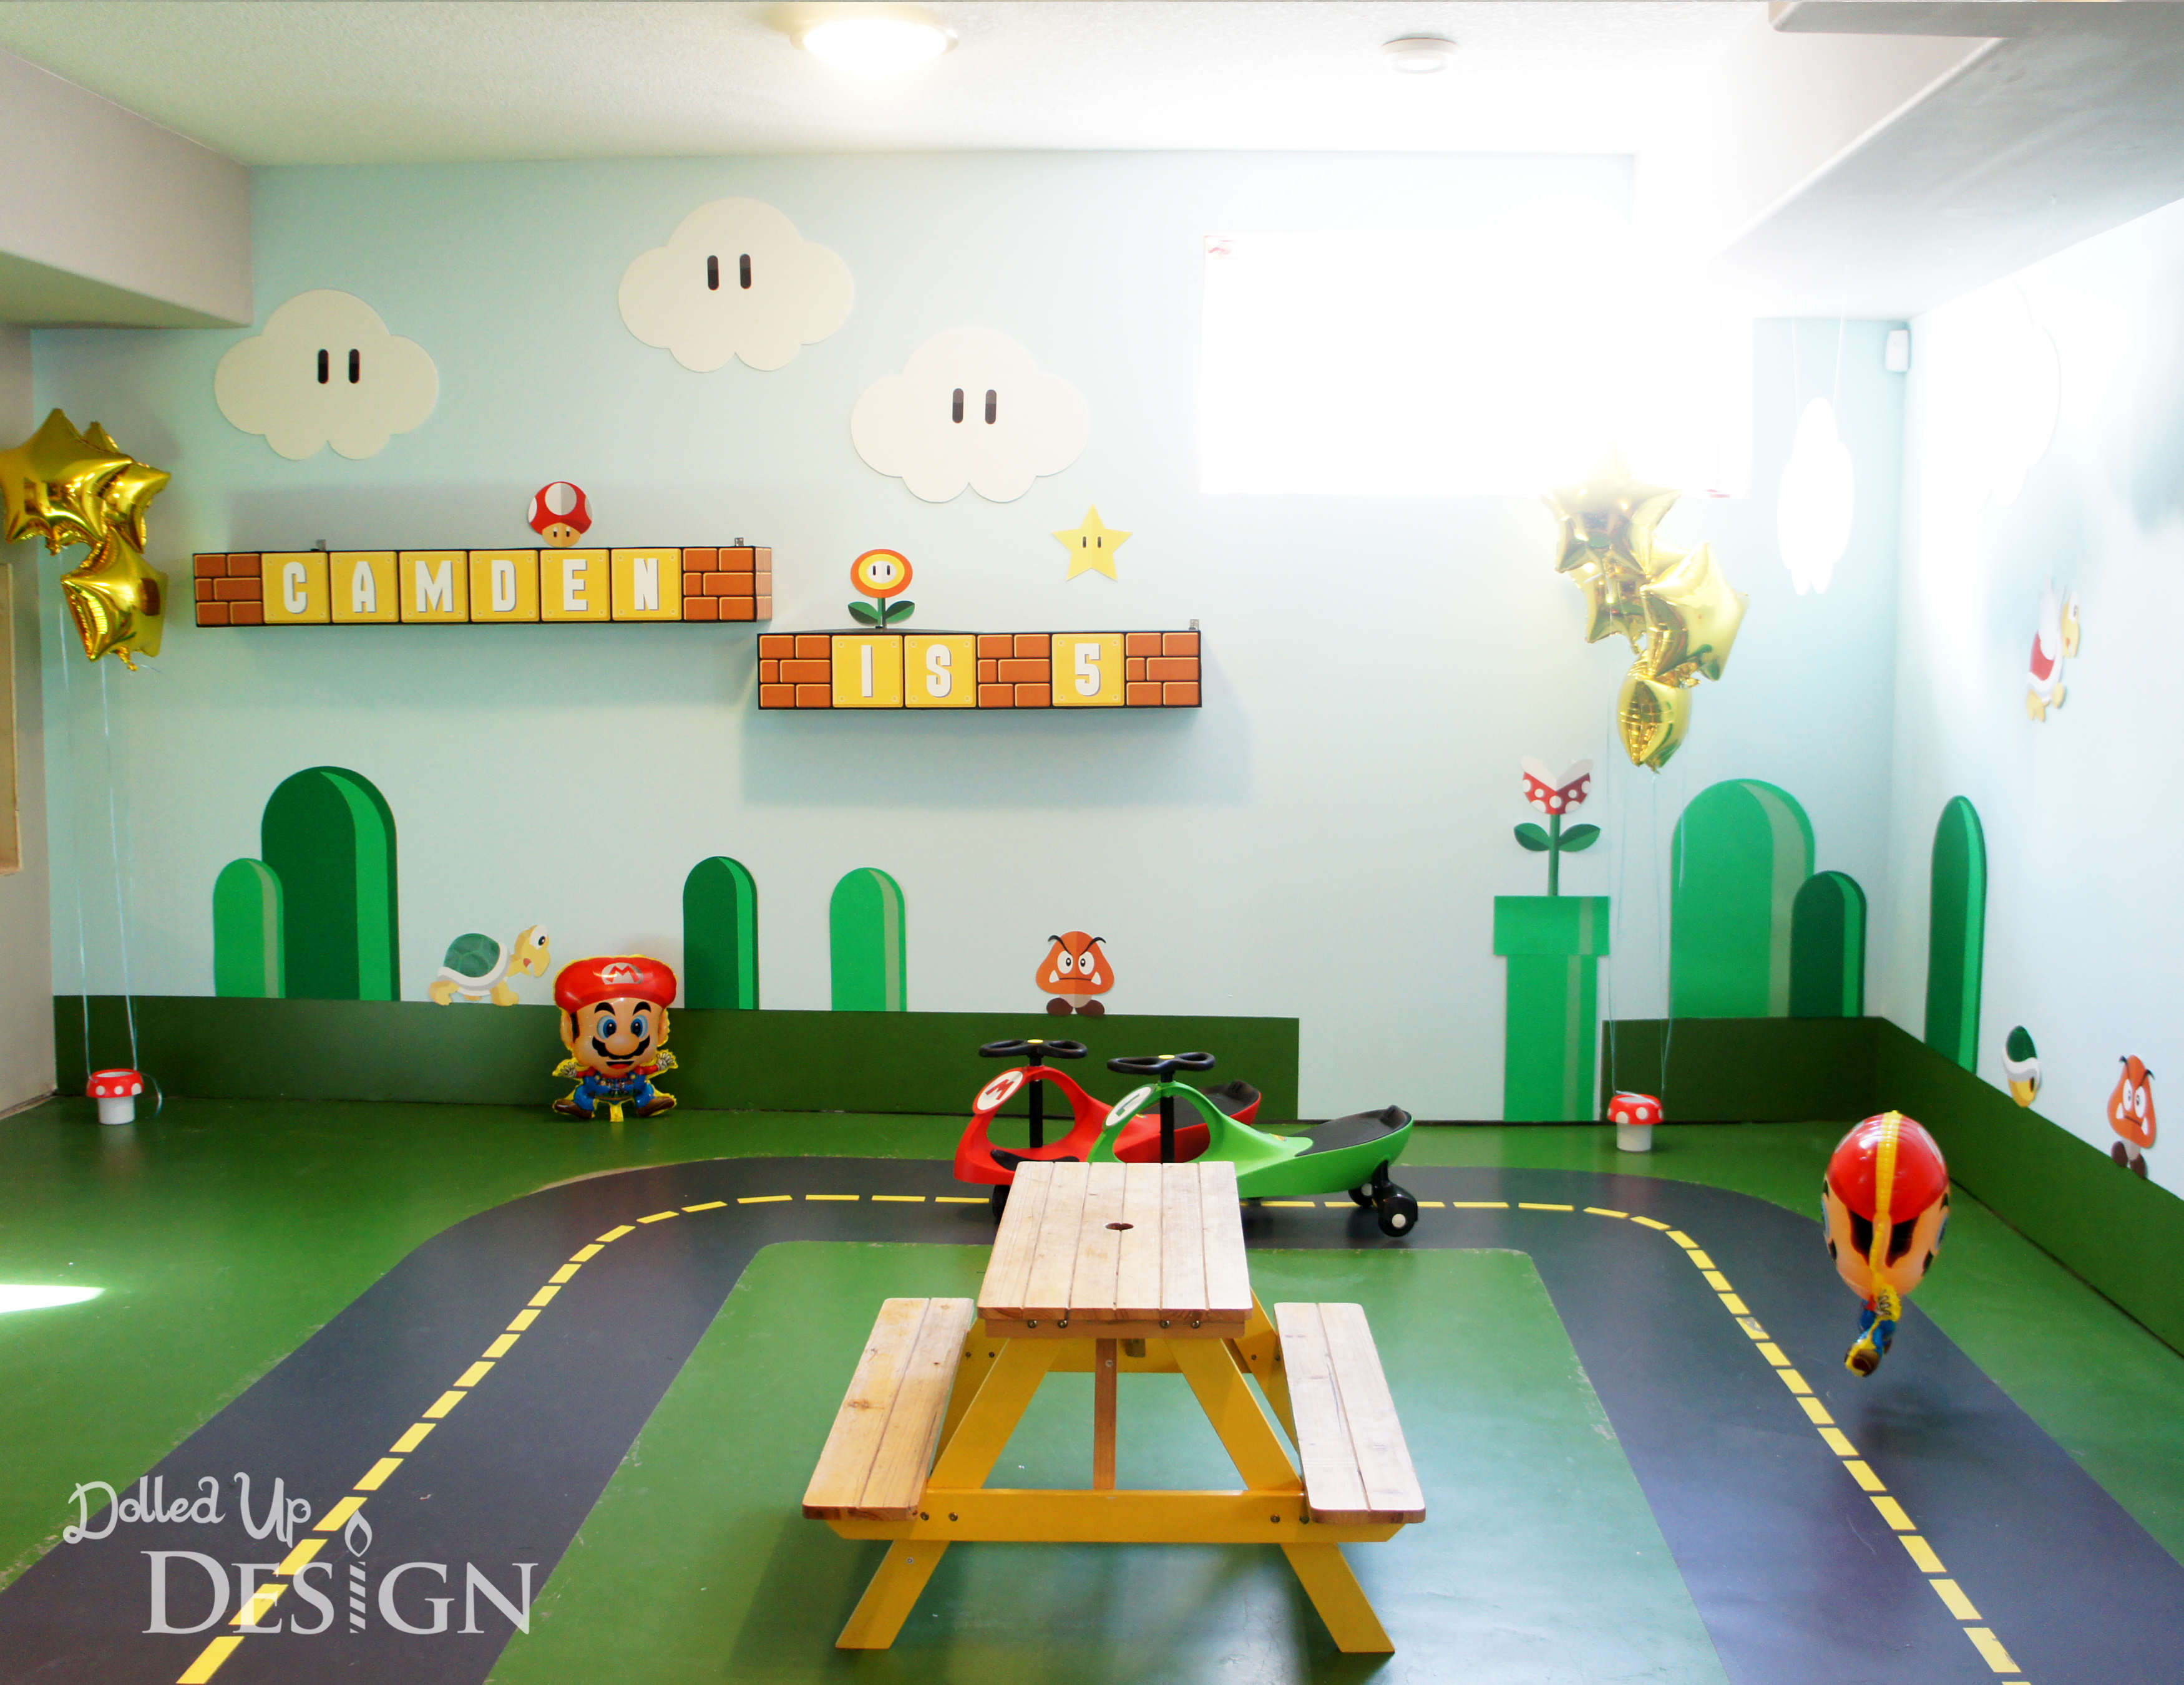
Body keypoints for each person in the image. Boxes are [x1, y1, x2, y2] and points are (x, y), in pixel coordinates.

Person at [551, 954, 678, 1120]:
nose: (623, 1044)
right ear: (569, 1031)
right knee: (584, 1091)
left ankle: (646, 1102)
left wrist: (660, 1065)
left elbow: (649, 1070)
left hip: (631, 1087)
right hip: (598, 1088)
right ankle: (582, 1105)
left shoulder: (638, 1070)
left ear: (661, 1029)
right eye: (608, 1029)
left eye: (638, 1028)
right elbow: (582, 1074)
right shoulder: (592, 1072)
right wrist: (573, 1072)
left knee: (644, 1088)